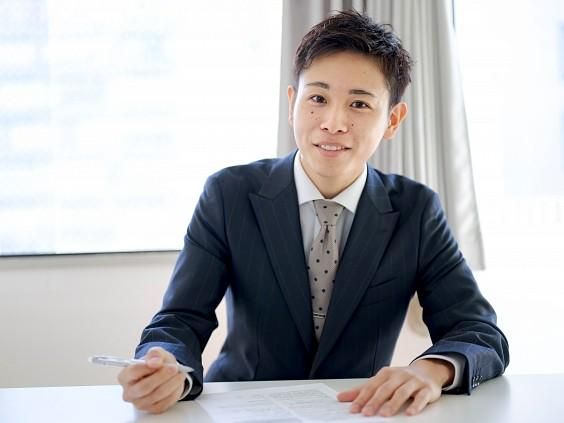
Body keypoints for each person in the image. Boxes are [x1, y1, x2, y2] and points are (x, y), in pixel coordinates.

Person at [118, 10, 509, 417]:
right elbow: (180, 319)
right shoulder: (229, 194)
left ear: (392, 120)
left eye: (359, 104)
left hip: (356, 411)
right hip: (243, 409)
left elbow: (479, 332)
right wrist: (167, 367)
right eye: (318, 99)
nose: (333, 123)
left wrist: (430, 371)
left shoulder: (417, 210)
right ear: (292, 104)